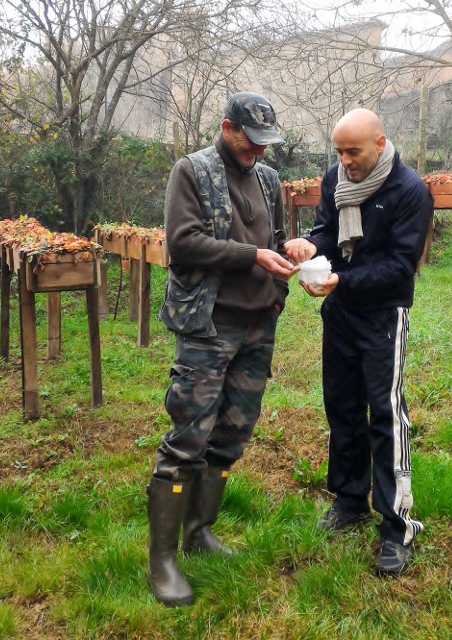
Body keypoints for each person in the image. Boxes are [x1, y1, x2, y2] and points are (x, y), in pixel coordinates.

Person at [148, 92, 299, 607]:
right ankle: (163, 562)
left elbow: (273, 241)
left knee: (231, 436)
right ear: (227, 127)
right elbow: (183, 242)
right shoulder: (191, 171)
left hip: (259, 325)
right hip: (209, 325)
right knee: (188, 439)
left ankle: (199, 533)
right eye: (249, 140)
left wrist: (287, 258)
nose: (256, 151)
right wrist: (251, 254)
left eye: (264, 143)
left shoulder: (268, 178)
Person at [284, 108, 433, 576]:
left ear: (380, 143)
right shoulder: (335, 179)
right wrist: (312, 246)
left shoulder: (410, 191)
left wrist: (341, 282)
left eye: (354, 151)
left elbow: (400, 266)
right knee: (342, 406)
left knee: (386, 414)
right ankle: (350, 501)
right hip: (342, 312)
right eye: (339, 151)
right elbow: (328, 231)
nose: (345, 160)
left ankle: (397, 526)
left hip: (384, 314)